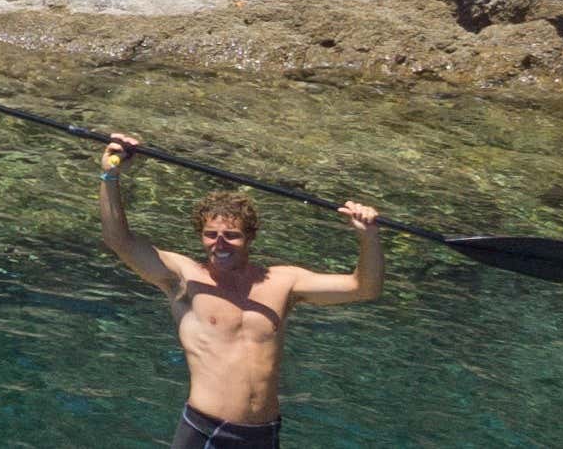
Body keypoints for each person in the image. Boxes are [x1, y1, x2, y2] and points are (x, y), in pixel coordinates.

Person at [96, 131, 384, 448]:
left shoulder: (284, 282)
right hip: (206, 431)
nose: (219, 243)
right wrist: (110, 175)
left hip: (264, 433)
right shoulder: (184, 279)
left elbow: (364, 288)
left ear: (249, 237)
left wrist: (368, 237)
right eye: (210, 234)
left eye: (231, 235)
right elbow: (119, 241)